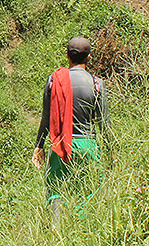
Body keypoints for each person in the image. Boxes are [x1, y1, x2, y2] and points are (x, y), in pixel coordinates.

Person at [31, 36, 111, 218]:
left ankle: (56, 228)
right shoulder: (97, 84)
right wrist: (111, 150)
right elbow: (104, 123)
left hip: (60, 145)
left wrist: (39, 146)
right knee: (88, 192)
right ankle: (82, 228)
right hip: (87, 147)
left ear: (67, 55)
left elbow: (47, 118)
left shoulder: (54, 81)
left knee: (56, 191)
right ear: (88, 57)